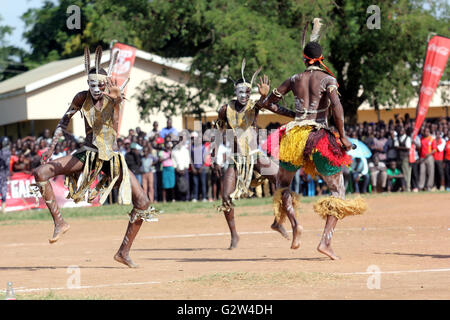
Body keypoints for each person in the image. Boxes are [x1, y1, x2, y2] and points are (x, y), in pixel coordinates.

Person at [31, 46, 158, 268]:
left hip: (111, 159)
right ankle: (59, 222)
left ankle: (123, 252)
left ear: (106, 82)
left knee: (143, 202)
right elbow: (64, 121)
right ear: (87, 84)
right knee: (40, 172)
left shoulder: (114, 96)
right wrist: (51, 147)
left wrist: (118, 101)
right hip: (87, 154)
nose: (96, 89)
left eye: (100, 84)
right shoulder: (81, 97)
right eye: (92, 84)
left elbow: (116, 119)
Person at [258, 33, 367, 259]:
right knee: (337, 191)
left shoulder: (294, 79)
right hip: (319, 137)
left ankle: (295, 224)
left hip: (295, 137)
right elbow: (336, 105)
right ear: (321, 58)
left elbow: (269, 105)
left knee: (282, 185)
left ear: (304, 58)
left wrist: (294, 114)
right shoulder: (328, 80)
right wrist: (344, 136)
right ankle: (325, 242)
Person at [214, 59, 296, 249]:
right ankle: (234, 235)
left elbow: (262, 104)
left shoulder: (253, 106)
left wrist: (264, 96)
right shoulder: (225, 110)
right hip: (236, 159)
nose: (245, 95)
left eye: (248, 92)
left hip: (254, 155)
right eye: (241, 92)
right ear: (235, 92)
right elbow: (219, 133)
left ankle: (278, 221)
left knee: (281, 181)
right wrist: (215, 158)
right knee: (226, 197)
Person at [171, 135, 191, 201]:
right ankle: (180, 199)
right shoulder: (173, 151)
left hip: (185, 170)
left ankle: (187, 198)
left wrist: (185, 169)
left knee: (186, 184)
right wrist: (177, 169)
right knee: (179, 185)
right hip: (177, 171)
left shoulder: (185, 150)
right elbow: (173, 161)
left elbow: (187, 160)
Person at [0, 137, 11, 213]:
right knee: (3, 189)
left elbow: (7, 165)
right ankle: (3, 208)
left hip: (2, 173)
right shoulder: (6, 152)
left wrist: (7, 174)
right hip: (3, 173)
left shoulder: (5, 152)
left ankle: (3, 208)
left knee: (3, 189)